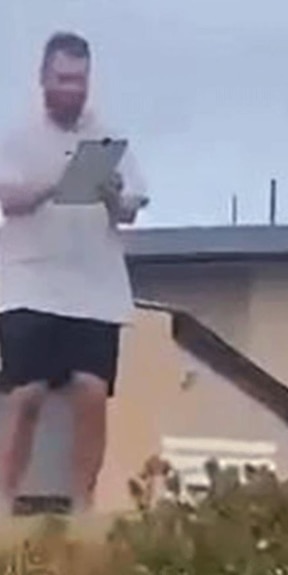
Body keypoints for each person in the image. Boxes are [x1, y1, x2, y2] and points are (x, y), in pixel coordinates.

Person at [0, 32, 149, 514]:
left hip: (94, 287)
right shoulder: (17, 136)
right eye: (63, 78)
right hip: (29, 282)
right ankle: (4, 500)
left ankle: (81, 502)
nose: (72, 89)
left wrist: (109, 192)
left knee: (91, 392)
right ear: (44, 78)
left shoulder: (107, 137)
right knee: (25, 394)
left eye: (80, 80)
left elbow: (129, 209)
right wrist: (54, 183)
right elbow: (9, 199)